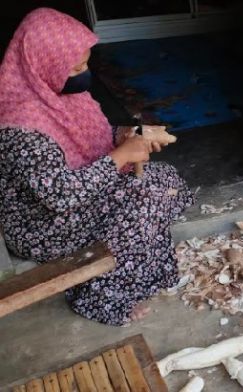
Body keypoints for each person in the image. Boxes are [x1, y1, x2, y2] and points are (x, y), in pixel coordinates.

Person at [0, 8, 194, 326]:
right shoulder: (21, 125)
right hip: (46, 224)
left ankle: (138, 259)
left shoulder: (58, 92)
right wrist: (122, 157)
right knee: (144, 203)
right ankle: (98, 298)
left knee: (165, 180)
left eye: (85, 62)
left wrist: (126, 135)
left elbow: (95, 138)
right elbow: (59, 196)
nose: (84, 72)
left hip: (81, 193)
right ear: (43, 65)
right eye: (76, 67)